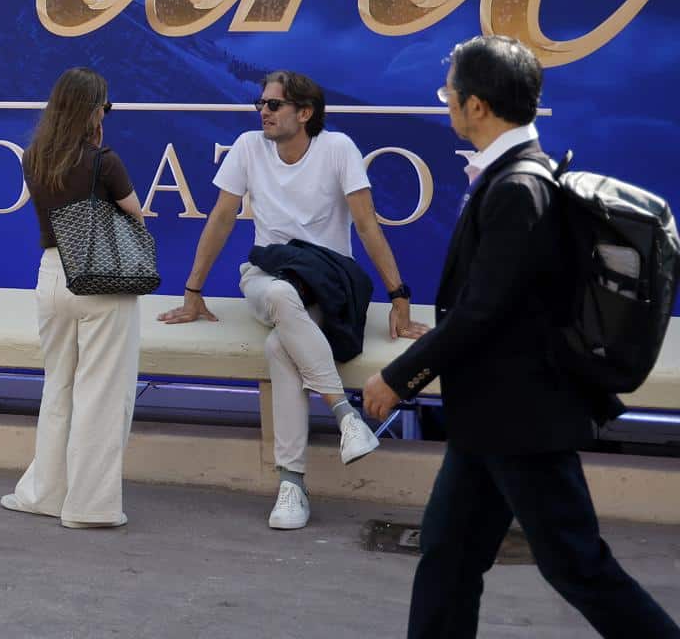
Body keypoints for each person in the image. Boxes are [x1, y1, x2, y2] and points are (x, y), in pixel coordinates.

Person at [362, 36, 679, 638]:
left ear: (476, 105)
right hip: (492, 417)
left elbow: (483, 310)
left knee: (576, 565)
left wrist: (399, 378)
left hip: (522, 419)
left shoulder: (517, 188)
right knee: (449, 555)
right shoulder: (513, 178)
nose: (444, 101)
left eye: (448, 92)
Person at [159, 69, 425, 530]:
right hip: (268, 277)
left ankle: (292, 485)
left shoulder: (338, 149)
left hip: (328, 283)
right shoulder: (247, 147)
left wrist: (399, 296)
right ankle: (346, 416)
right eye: (260, 104)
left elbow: (366, 224)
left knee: (280, 347)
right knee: (281, 294)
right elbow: (221, 218)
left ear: (304, 113)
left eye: (273, 105)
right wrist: (193, 292)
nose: (263, 111)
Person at [0, 67, 144, 529]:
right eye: (105, 105)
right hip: (102, 279)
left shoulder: (32, 157)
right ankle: (90, 507)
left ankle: (44, 493)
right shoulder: (106, 162)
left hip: (51, 276)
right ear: (93, 109)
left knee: (58, 388)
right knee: (102, 394)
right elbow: (135, 217)